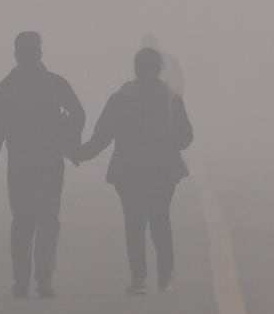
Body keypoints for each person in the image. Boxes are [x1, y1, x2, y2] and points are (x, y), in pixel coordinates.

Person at [0, 31, 85, 299]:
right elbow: (79, 114)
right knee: (48, 220)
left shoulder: (6, 87)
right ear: (40, 53)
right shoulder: (54, 83)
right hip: (49, 163)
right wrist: (68, 141)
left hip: (20, 165)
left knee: (22, 222)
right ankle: (44, 279)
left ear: (16, 54)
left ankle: (21, 280)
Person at [81, 45, 196, 293]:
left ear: (135, 69)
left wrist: (80, 153)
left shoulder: (120, 98)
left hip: (128, 170)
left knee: (134, 224)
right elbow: (185, 137)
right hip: (163, 170)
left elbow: (102, 136)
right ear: (159, 69)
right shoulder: (171, 98)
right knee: (161, 221)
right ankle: (165, 277)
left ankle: (139, 279)